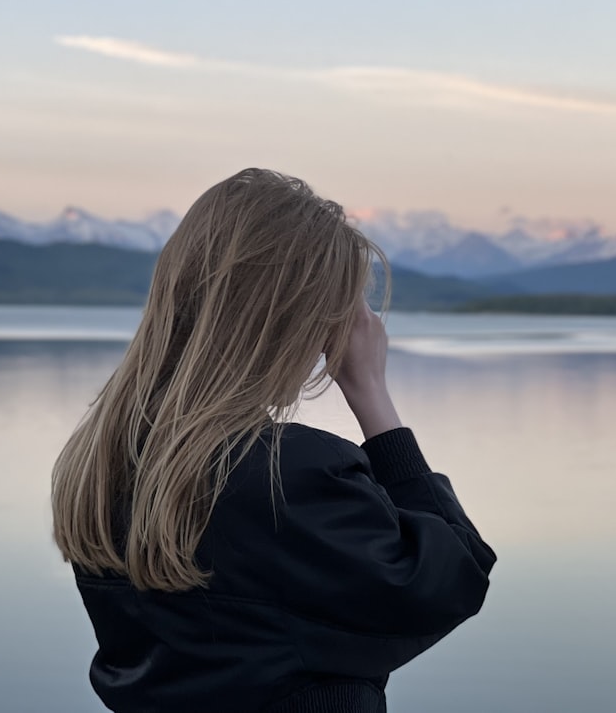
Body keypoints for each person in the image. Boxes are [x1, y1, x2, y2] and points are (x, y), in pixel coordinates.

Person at [51, 168, 496, 713]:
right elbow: (452, 579)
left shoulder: (103, 467)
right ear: (290, 322)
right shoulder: (290, 477)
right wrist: (372, 395)